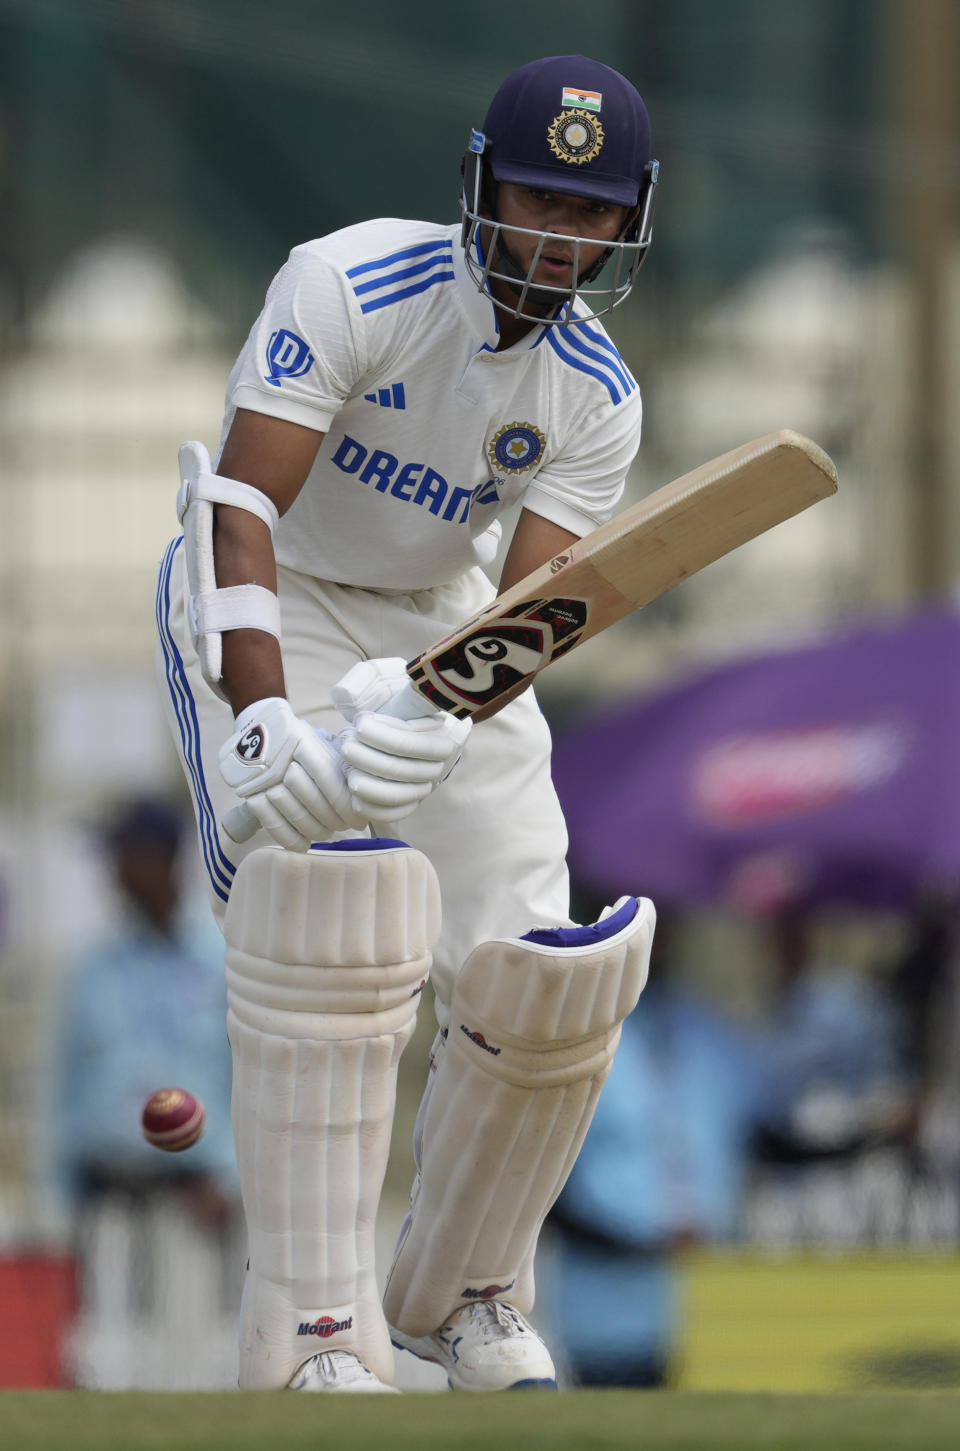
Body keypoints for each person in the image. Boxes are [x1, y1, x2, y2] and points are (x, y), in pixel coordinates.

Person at [155, 54, 659, 1393]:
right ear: (482, 186)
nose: (561, 234)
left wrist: (443, 703)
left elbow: (540, 600)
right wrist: (264, 718)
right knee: (318, 912)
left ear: (628, 221)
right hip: (279, 595)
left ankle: (465, 1291)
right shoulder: (350, 281)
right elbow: (241, 508)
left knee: (550, 965)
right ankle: (314, 1323)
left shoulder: (597, 395)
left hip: (443, 617)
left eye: (591, 211)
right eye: (539, 198)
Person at [49, 797, 241, 1388]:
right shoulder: (94, 966)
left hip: (195, 1198)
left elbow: (249, 1079)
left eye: (124, 856)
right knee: (105, 1360)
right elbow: (61, 1088)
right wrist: (60, 1193)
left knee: (195, 1363)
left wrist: (232, 1180)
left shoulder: (222, 961)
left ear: (162, 860)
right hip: (109, 1194)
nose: (113, 872)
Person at [544, 909, 771, 1387]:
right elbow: (544, 1192)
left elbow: (764, 1133)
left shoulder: (708, 1034)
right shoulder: (574, 1039)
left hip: (712, 1304)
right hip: (605, 1313)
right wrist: (642, 1241)